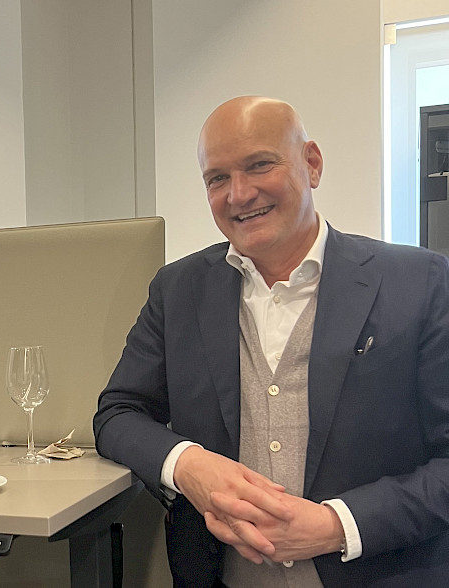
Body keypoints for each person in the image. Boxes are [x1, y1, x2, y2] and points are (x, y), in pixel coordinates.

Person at [93, 96, 449, 587]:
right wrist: (189, 465)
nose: (239, 194)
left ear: (312, 164)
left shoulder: (421, 282)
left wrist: (338, 526)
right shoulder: (178, 290)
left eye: (260, 165)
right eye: (217, 178)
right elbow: (117, 413)